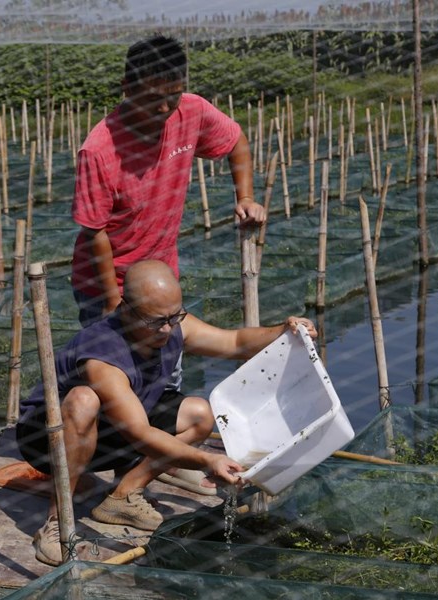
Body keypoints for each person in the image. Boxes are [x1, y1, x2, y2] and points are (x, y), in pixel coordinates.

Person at [16, 259, 317, 566]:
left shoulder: (172, 324)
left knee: (199, 413)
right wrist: (207, 459)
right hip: (49, 440)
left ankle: (122, 497)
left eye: (175, 317)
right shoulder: (102, 354)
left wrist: (284, 330)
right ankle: (56, 524)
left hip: (109, 432)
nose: (167, 329)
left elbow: (235, 342)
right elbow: (141, 434)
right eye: (156, 321)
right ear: (125, 309)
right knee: (83, 400)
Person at [71, 34, 265, 326]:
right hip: (107, 285)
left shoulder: (192, 111)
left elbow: (236, 140)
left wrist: (246, 197)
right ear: (127, 89)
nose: (164, 107)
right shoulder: (99, 150)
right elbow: (94, 231)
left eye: (172, 95)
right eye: (151, 98)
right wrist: (112, 302)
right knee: (115, 366)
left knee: (167, 367)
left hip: (161, 277)